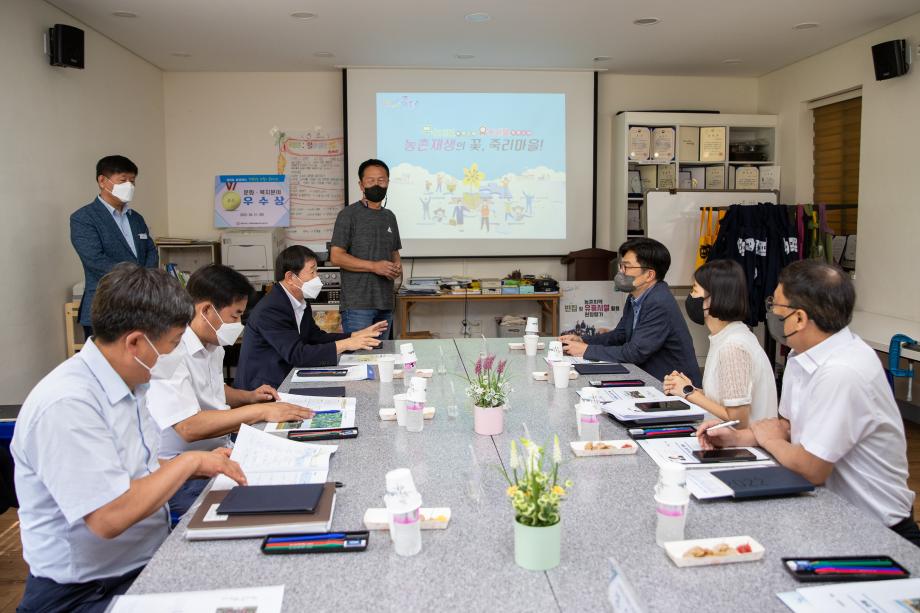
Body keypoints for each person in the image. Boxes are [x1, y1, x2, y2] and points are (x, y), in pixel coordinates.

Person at [12, 263, 246, 612]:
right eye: (171, 345)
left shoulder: (129, 383)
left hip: (140, 564)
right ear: (135, 342)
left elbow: (132, 471)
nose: (173, 356)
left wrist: (199, 465)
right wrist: (189, 462)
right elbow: (109, 515)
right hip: (84, 592)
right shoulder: (68, 404)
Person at [698, 260, 920, 547]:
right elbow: (788, 426)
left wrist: (766, 439)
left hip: (877, 530)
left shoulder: (843, 371)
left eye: (776, 307)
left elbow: (810, 468)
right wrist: (738, 437)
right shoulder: (800, 355)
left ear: (799, 318)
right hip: (829, 514)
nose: (771, 314)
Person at [146, 264, 315, 520]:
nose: (238, 324)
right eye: (235, 316)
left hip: (222, 451)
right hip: (185, 473)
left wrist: (248, 397)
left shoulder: (213, 345)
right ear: (205, 310)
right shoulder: (172, 351)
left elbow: (213, 391)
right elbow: (189, 426)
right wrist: (259, 411)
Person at [235, 245, 386, 390]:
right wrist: (347, 344)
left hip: (287, 377)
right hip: (263, 388)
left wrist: (355, 335)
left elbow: (315, 337)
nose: (317, 278)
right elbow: (297, 354)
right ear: (290, 277)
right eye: (312, 272)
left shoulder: (301, 301)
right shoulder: (271, 309)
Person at [560, 238, 701, 385]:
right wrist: (583, 340)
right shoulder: (635, 296)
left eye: (626, 267)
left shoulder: (659, 302)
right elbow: (620, 335)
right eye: (621, 266)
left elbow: (635, 353)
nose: (621, 272)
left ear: (649, 275)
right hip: (649, 377)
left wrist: (586, 350)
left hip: (675, 387)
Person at [662, 260, 777, 428]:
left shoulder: (733, 346)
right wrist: (685, 388)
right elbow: (723, 402)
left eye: (694, 290)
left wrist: (689, 392)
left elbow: (737, 421)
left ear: (714, 299)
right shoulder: (725, 337)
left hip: (741, 448)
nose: (691, 296)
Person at [71, 155, 159, 339]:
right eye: (123, 180)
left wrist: (145, 280)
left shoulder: (136, 218)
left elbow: (150, 250)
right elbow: (94, 259)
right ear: (102, 181)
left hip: (142, 308)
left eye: (132, 181)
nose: (130, 186)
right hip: (106, 308)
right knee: (105, 366)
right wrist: (136, 278)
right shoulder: (84, 218)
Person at [330, 159, 403, 336]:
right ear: (361, 185)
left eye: (381, 180)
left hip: (385, 303)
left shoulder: (389, 216)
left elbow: (394, 252)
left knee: (384, 358)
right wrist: (374, 266)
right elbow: (336, 256)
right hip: (357, 306)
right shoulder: (348, 215)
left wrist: (397, 267)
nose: (376, 185)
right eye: (370, 181)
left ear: (387, 183)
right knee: (359, 359)